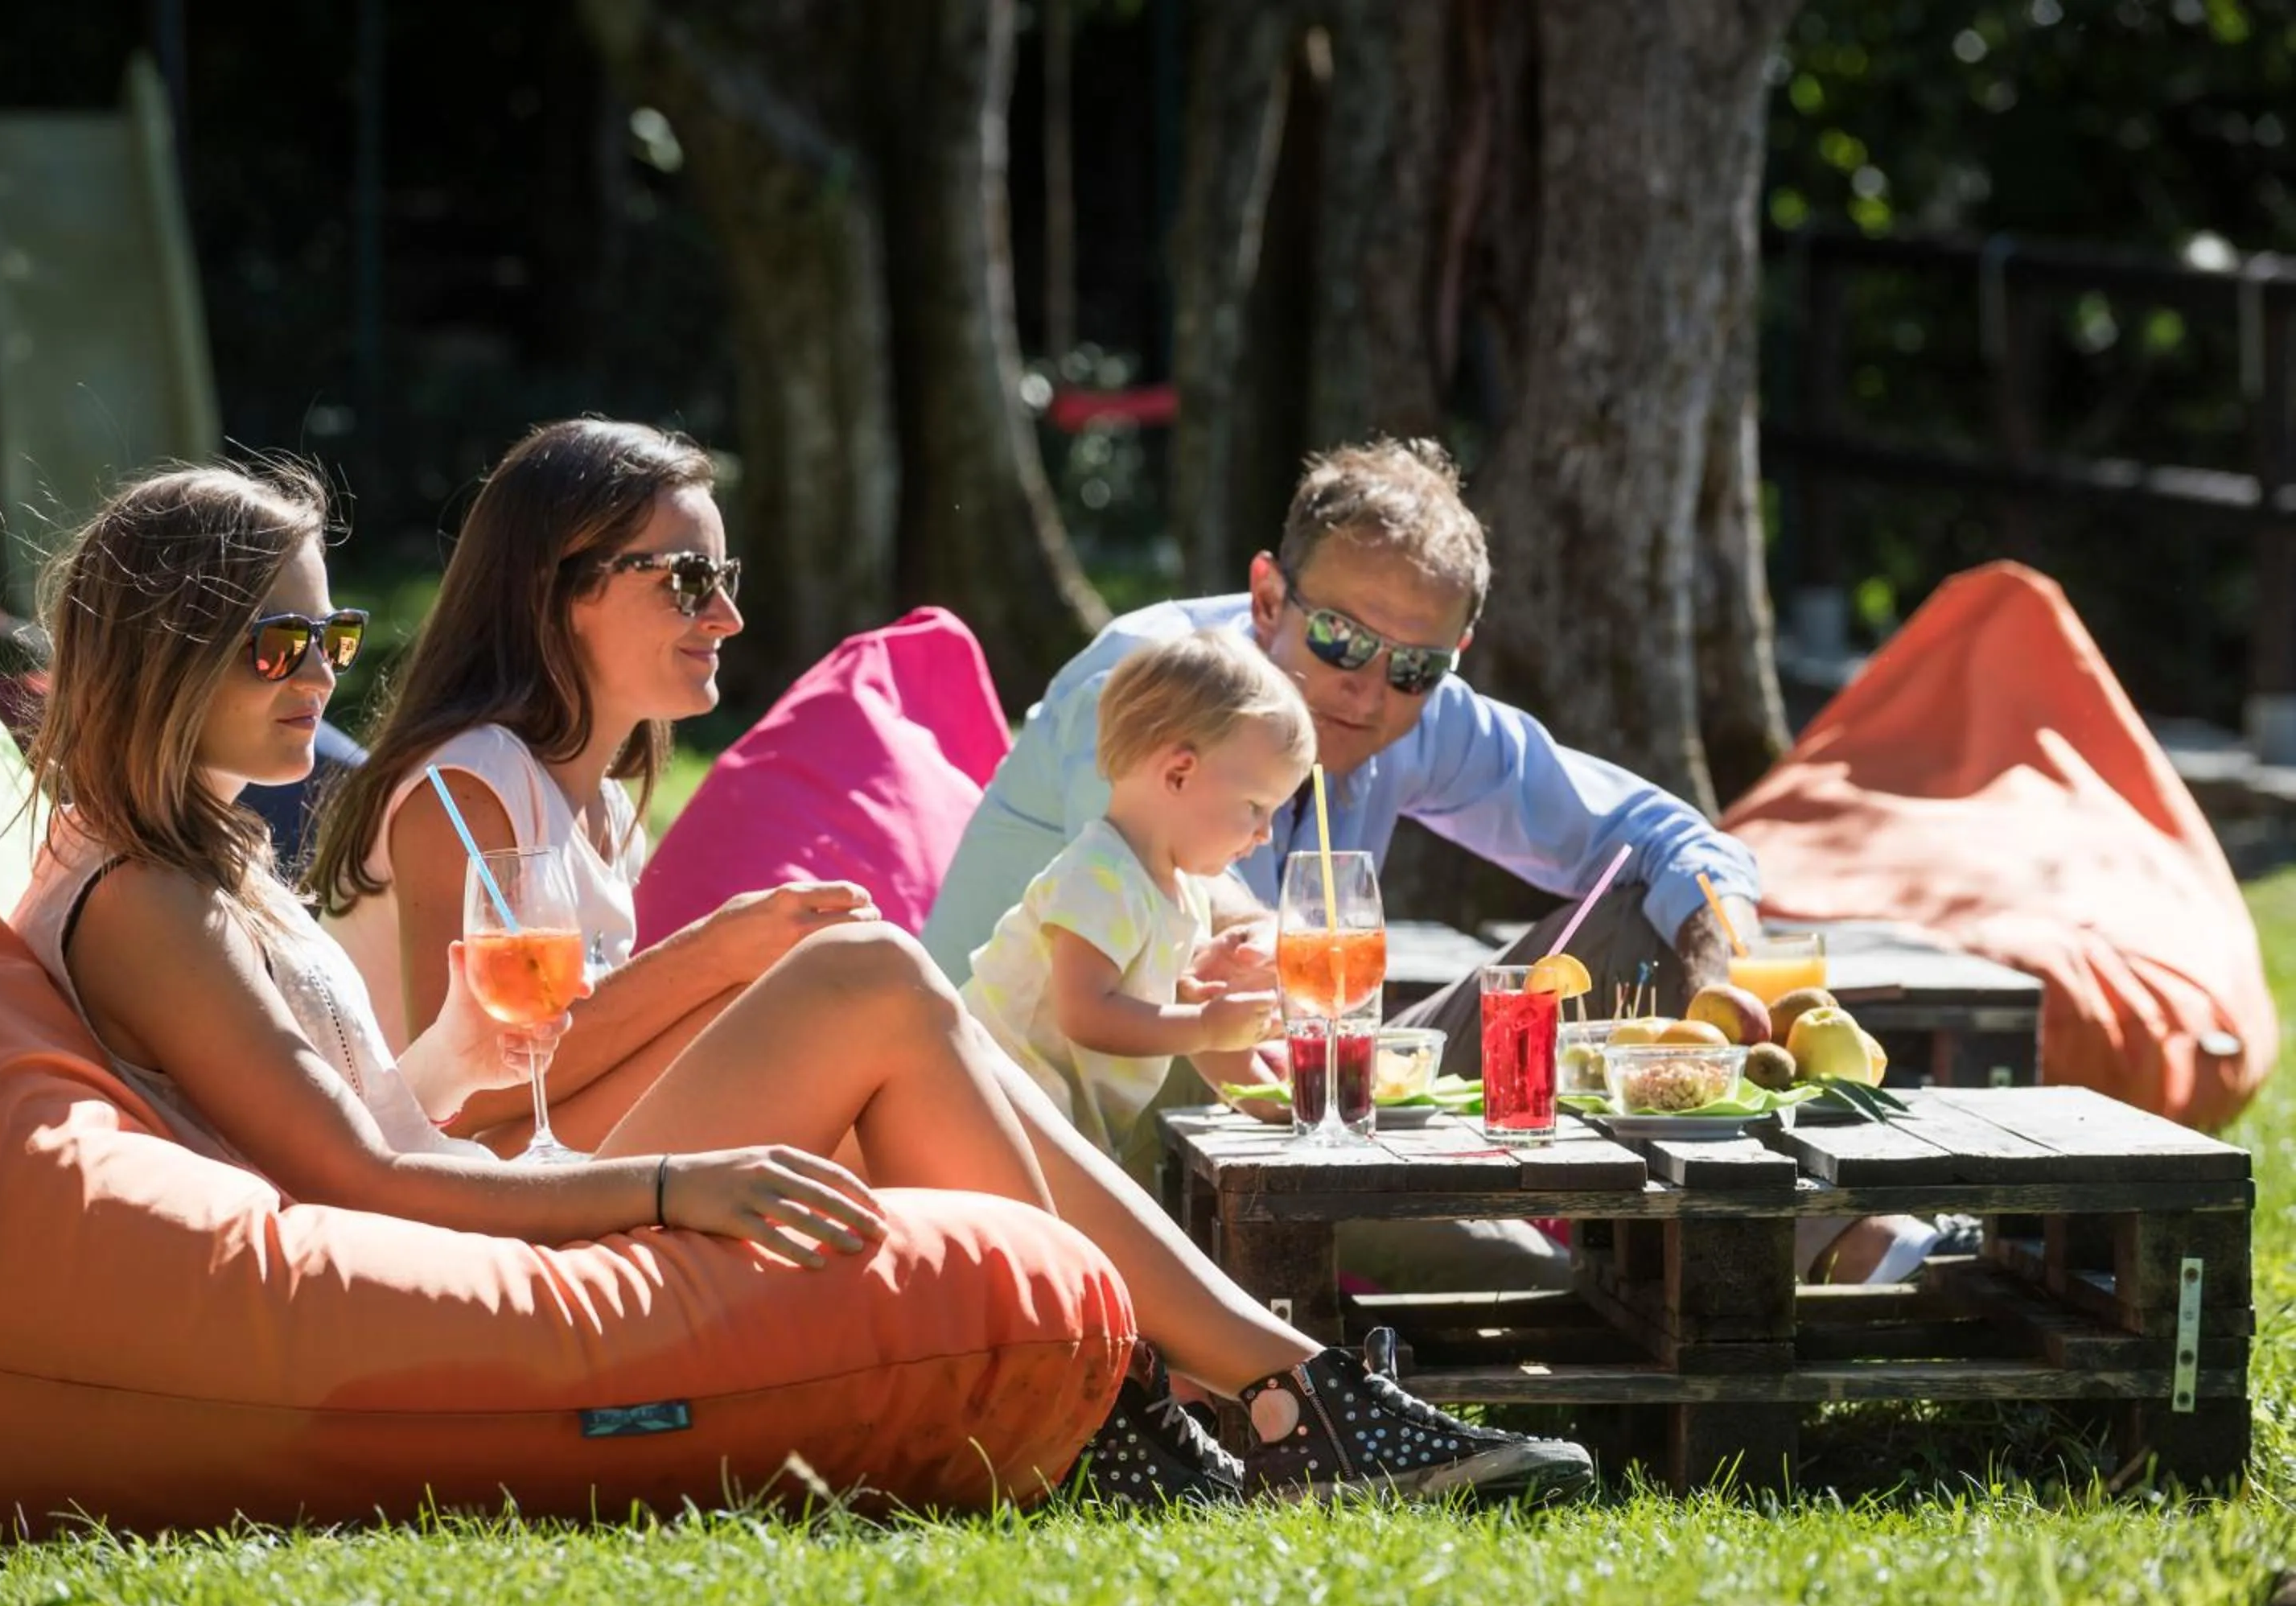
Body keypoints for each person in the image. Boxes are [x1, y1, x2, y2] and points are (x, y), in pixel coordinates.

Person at [276, 422, 1596, 1502]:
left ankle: (1210, 1391)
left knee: (886, 996)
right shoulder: (472, 791)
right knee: (873, 976)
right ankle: (1244, 1395)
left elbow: (583, 1066)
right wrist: (723, 953)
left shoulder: (586, 787)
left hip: (596, 1179)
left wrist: (739, 977)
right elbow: (471, 1109)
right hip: (499, 1241)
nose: (728, 613)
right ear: (555, 585)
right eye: (688, 579)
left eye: (726, 577)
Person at [922, 437, 1942, 1287]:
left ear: (1455, 656)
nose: (1369, 691)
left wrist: (1724, 971)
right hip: (1075, 1102)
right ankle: (1598, 1289)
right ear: (1267, 598)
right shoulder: (1154, 685)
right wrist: (1284, 993)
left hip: (1288, 1055)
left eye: (1415, 666)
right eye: (1339, 637)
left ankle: (1815, 1240)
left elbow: (1673, 839)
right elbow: (1155, 963)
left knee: (1638, 917)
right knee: (1283, 1085)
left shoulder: (1425, 720)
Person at [961, 630, 1308, 1163]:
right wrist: (1204, 1026)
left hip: (1048, 1129)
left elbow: (1193, 1034)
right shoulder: (1099, 875)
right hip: (987, 1111)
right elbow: (1086, 1014)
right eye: (1255, 806)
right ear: (1178, 773)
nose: (1264, 833)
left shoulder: (1178, 890)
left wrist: (1267, 1097)